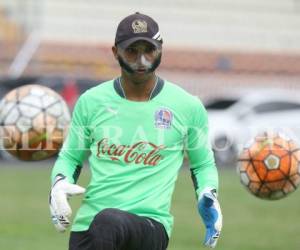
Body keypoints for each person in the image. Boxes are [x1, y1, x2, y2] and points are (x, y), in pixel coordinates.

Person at [49, 12, 223, 250]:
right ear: (115, 52)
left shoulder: (187, 106)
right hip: (89, 228)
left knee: (108, 221)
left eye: (149, 50)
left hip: (149, 227)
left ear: (161, 49)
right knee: (104, 223)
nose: (142, 60)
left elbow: (202, 164)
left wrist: (208, 193)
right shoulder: (91, 101)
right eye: (132, 51)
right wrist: (58, 184)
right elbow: (70, 158)